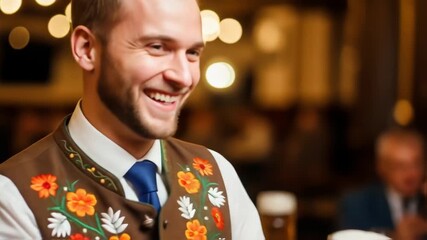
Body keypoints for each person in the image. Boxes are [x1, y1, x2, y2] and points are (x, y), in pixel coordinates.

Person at [0, 0, 265, 239]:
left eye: (192, 53)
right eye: (157, 47)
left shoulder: (219, 175)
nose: (184, 77)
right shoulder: (14, 196)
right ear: (87, 48)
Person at [339, 128, 427, 239]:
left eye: (416, 164)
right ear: (382, 167)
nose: (411, 174)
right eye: (400, 166)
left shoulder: (424, 199)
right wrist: (396, 237)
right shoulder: (357, 205)